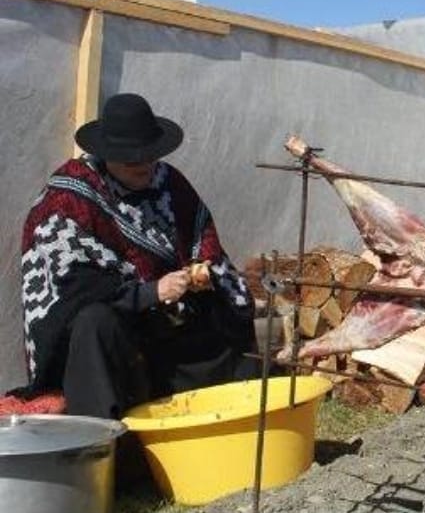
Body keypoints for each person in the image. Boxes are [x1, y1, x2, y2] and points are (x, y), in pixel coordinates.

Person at [19, 93, 257, 420]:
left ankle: (225, 420)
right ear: (107, 155)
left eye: (150, 156)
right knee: (95, 323)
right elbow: (74, 294)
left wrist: (199, 275)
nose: (145, 165)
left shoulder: (169, 182)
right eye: (133, 160)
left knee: (228, 313)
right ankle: (104, 443)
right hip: (107, 328)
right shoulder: (67, 200)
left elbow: (203, 240)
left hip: (166, 317)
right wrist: (151, 292)